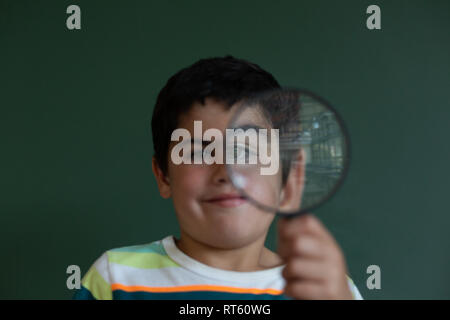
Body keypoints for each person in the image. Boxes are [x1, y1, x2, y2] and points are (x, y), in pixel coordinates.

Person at [73, 55, 362, 300]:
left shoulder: (328, 289)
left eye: (246, 151)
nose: (226, 172)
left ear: (287, 177)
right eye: (198, 152)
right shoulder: (115, 280)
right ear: (163, 175)